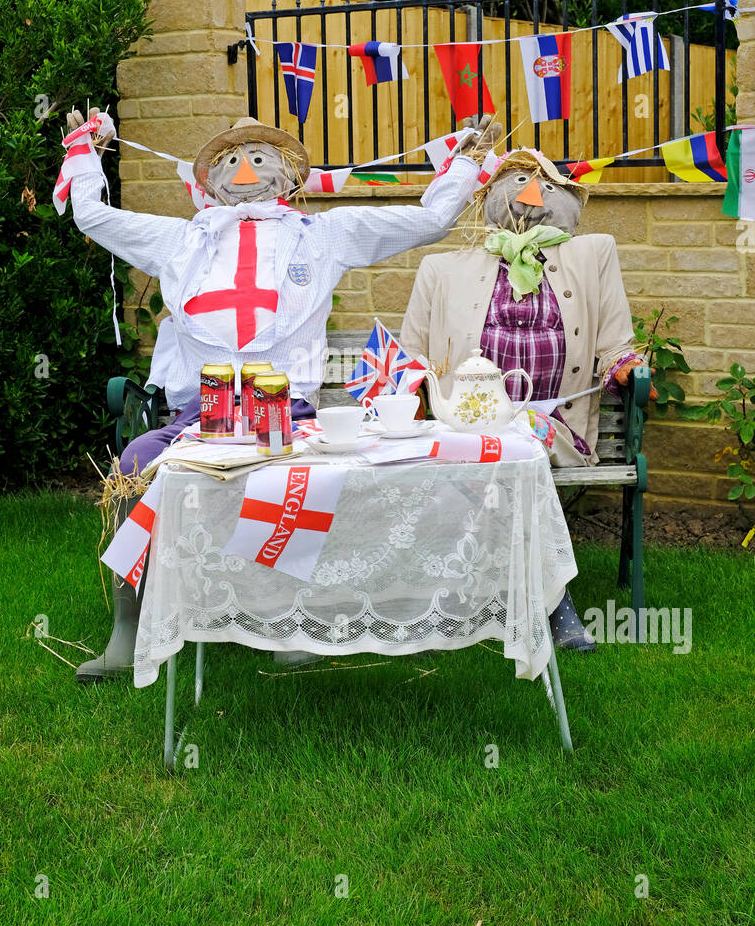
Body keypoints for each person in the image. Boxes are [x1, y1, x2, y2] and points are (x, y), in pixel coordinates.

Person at [60, 109, 501, 678]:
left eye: (260, 157)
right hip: (202, 417)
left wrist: (466, 159)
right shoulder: (180, 240)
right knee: (134, 464)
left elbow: (430, 219)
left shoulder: (325, 234)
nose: (244, 167)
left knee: (298, 478)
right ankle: (129, 627)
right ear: (208, 182)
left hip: (287, 417)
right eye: (229, 159)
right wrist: (85, 150)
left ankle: (285, 619)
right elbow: (93, 216)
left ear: (291, 176)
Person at [401, 147, 655, 651]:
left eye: (545, 184)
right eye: (515, 180)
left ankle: (517, 596)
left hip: (552, 423)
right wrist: (407, 393)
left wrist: (627, 367)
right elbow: (410, 354)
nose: (531, 191)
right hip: (469, 422)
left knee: (521, 446)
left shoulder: (593, 253)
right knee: (500, 446)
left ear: (569, 200)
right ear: (488, 199)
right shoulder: (441, 268)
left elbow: (614, 344)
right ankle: (550, 601)